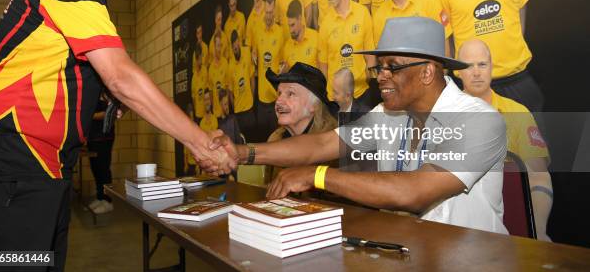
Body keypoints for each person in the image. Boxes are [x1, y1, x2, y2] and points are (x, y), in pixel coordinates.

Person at [0, 0, 232, 269]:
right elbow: (121, 77)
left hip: (42, 163)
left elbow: (69, 69)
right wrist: (200, 143)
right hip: (14, 158)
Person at [209, 17, 509, 234]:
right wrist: (240, 151)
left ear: (428, 73)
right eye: (379, 67)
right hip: (407, 252)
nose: (380, 76)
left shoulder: (479, 120)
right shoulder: (388, 115)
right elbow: (323, 143)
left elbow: (414, 191)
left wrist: (318, 175)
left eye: (392, 66)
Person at [458, 39, 552, 241]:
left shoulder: (517, 112)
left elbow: (538, 177)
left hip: (512, 231)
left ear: (492, 67)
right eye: (468, 66)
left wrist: (538, 231)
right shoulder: (443, 115)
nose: (476, 72)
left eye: (482, 64)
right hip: (458, 229)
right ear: (458, 71)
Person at [264, 62, 339, 181]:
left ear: (314, 105)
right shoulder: (274, 138)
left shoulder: (334, 144)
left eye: (290, 94)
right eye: (279, 93)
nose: (278, 101)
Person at [318, 0, 376, 109]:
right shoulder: (325, 24)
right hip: (337, 101)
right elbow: (323, 66)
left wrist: (370, 82)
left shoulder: (362, 13)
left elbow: (370, 56)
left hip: (362, 94)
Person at [254, 0, 285, 139]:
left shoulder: (280, 32)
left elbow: (285, 62)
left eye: (271, 12)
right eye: (266, 12)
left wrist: (283, 69)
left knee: (277, 143)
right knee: (263, 145)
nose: (268, 16)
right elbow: (254, 54)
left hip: (275, 99)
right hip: (260, 100)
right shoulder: (257, 31)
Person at [86, 92, 116, 214]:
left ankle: (107, 201)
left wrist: (88, 115)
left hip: (104, 137)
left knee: (103, 168)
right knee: (95, 169)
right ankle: (100, 197)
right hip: (92, 137)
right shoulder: (93, 93)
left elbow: (108, 114)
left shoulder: (107, 94)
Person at [227, 29, 255, 139]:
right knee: (242, 145)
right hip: (238, 113)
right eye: (233, 47)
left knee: (253, 142)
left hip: (250, 108)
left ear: (239, 41)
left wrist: (251, 98)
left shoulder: (247, 53)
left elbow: (252, 78)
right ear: (231, 47)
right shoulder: (230, 66)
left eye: (236, 44)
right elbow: (230, 92)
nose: (235, 48)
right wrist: (235, 107)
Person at [281, 0, 319, 71]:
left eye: (293, 25)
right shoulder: (287, 47)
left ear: (300, 18)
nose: (290, 30)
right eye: (289, 26)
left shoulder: (316, 38)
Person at [207, 32, 229, 118]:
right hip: (216, 115)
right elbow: (211, 92)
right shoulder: (211, 68)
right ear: (214, 47)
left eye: (220, 45)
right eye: (218, 46)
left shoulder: (225, 63)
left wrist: (226, 108)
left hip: (225, 113)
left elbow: (227, 88)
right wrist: (214, 110)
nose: (219, 49)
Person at [191, 45, 209, 124]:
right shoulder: (194, 77)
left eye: (202, 57)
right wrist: (196, 113)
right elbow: (194, 98)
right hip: (198, 115)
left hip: (206, 113)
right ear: (196, 59)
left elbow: (207, 91)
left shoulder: (205, 70)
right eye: (199, 58)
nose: (201, 60)